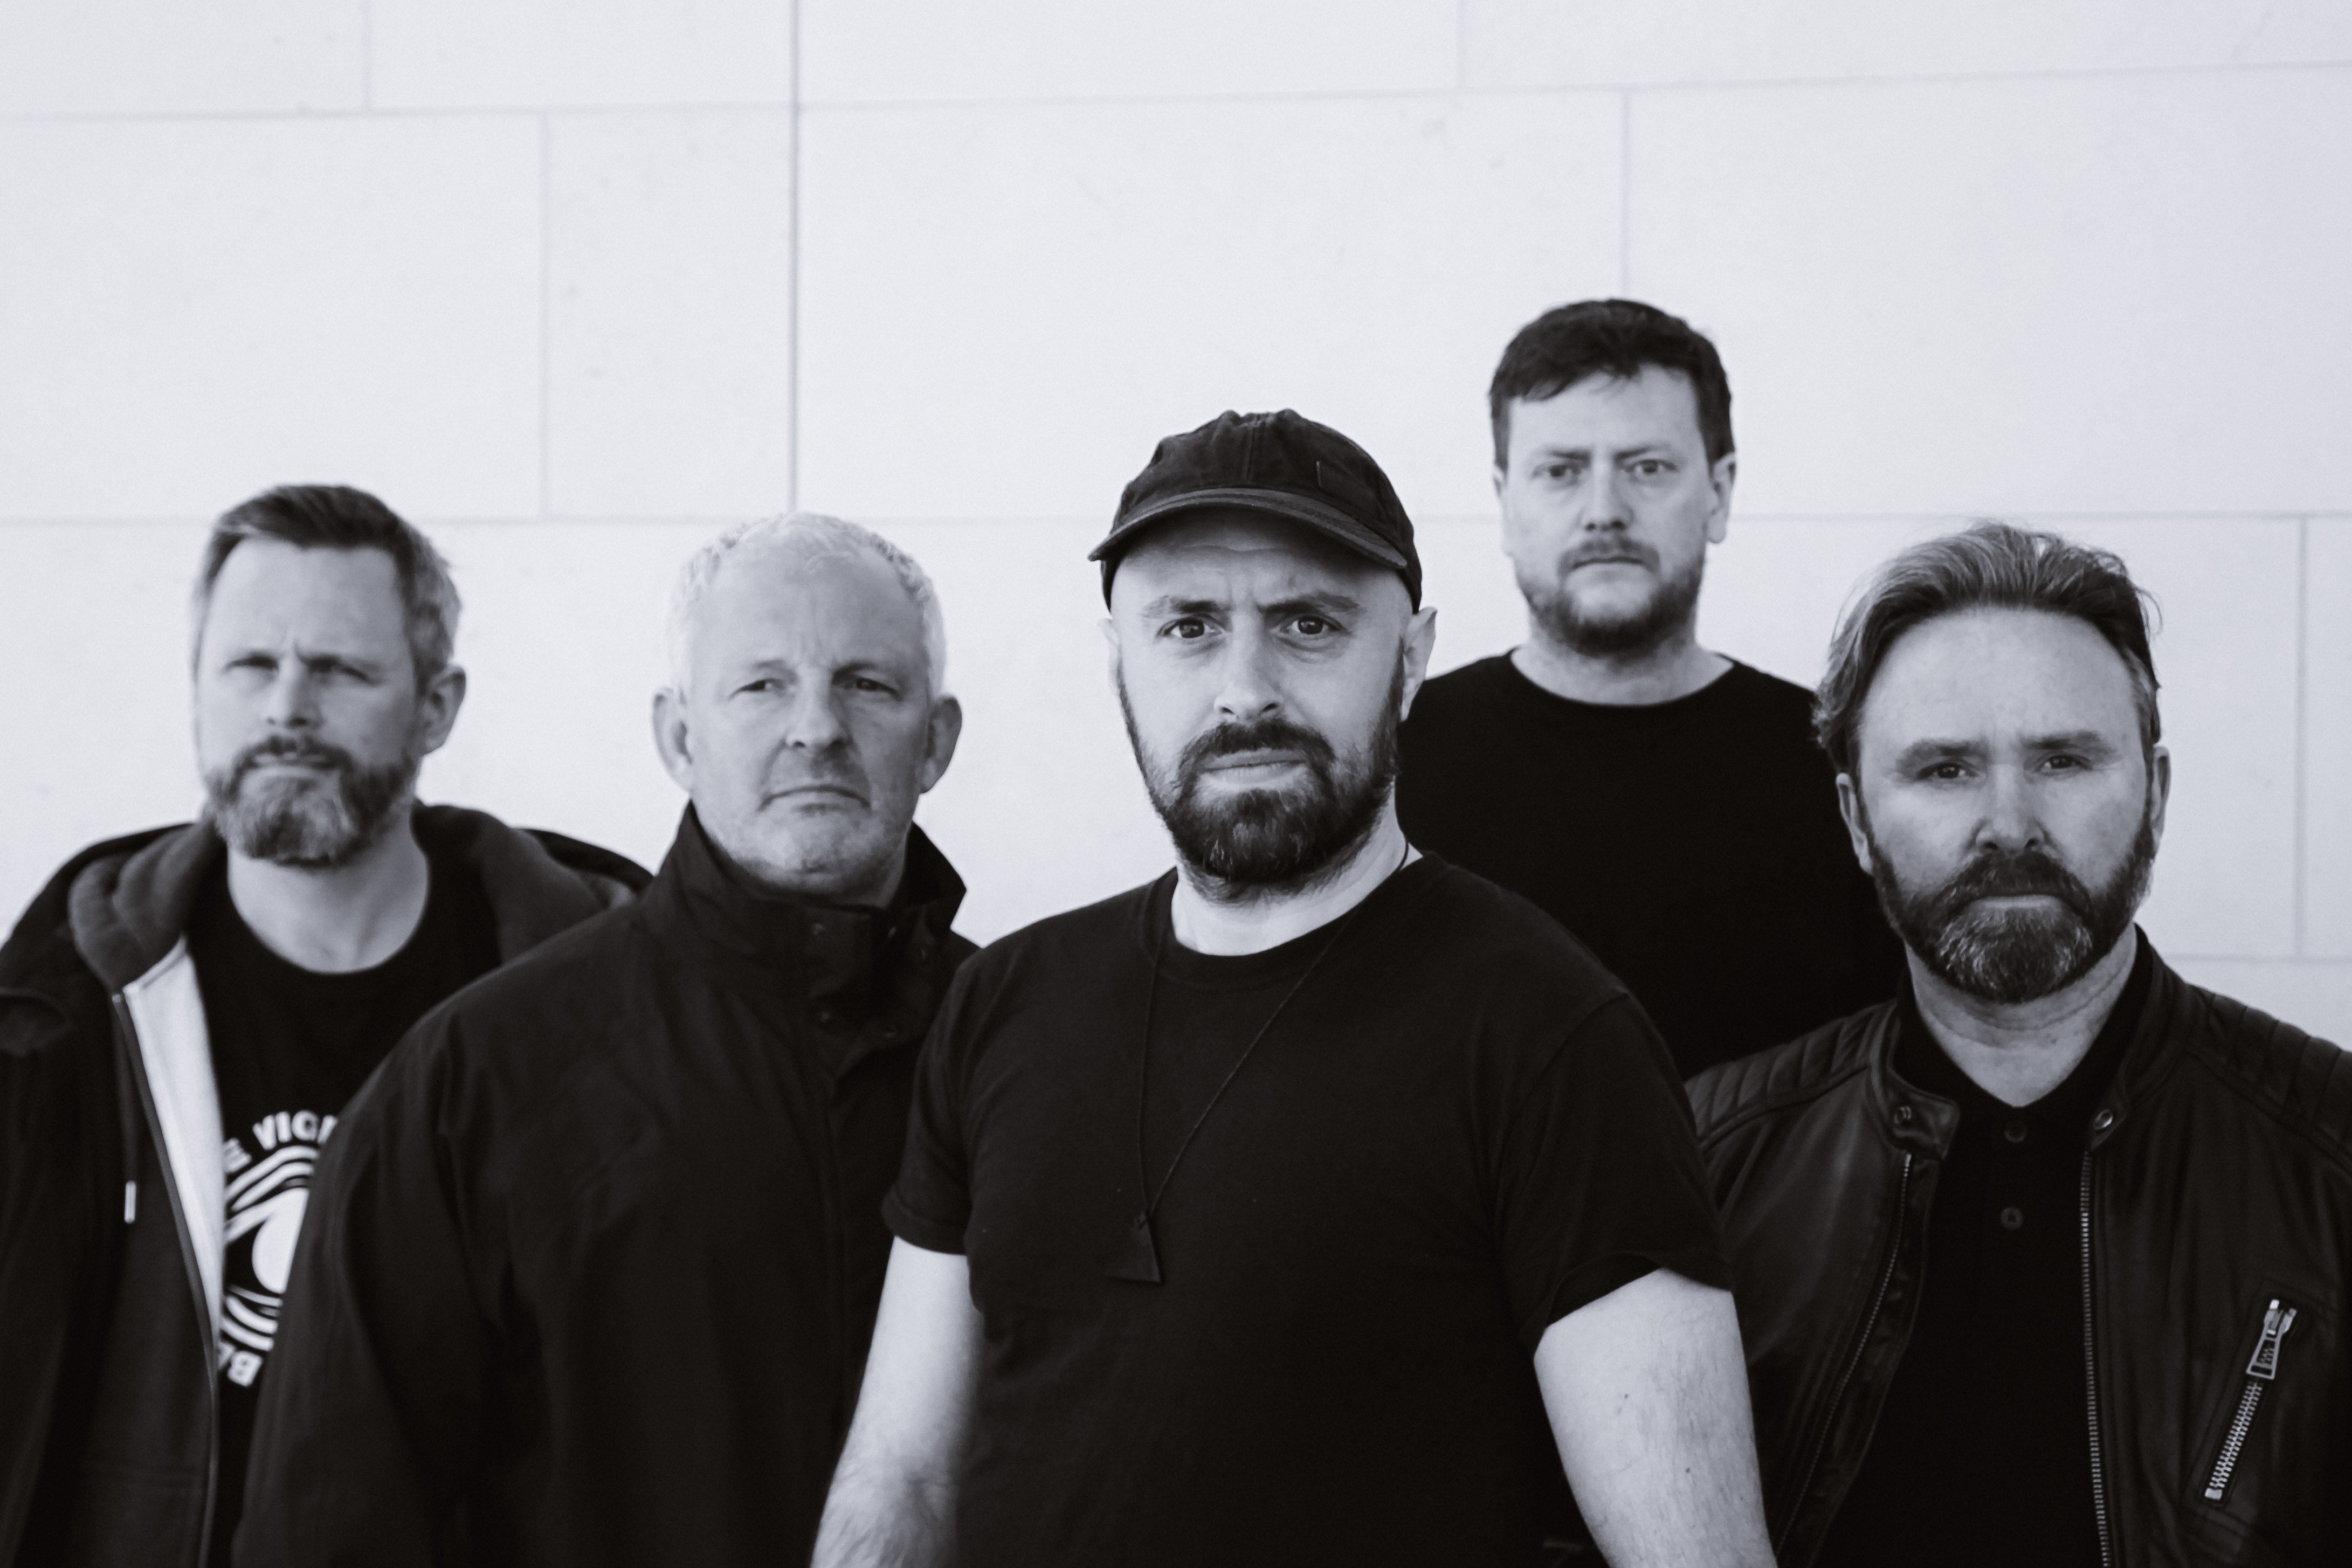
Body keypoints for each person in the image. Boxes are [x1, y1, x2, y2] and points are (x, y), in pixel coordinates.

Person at [813, 410, 1775, 1568]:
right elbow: (903, 1478)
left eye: (1308, 624)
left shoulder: (1548, 1034)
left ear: (1410, 660)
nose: (1243, 691)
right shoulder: (1004, 1002)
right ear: (1120, 662)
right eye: (1188, 627)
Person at [237, 514, 973, 1568]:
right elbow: (330, 1530)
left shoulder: (1029, 1050)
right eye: (760, 685)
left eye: (866, 684)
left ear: (937, 739)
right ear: (679, 737)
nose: (815, 727)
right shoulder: (473, 1084)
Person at [0, 485, 646, 1568]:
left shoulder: (588, 1000)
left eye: (340, 669)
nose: (286, 707)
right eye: (250, 664)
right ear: (197, 689)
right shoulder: (62, 1012)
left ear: (436, 707)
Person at [1688, 521, 2352, 1566]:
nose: (2009, 822)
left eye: (2063, 759)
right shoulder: (1704, 1165)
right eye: (1945, 769)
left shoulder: (2331, 1156)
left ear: (2156, 795)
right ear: (1856, 820)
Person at [1398, 299, 1900, 1076]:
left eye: (1648, 468)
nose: (1604, 511)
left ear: (1719, 493)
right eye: (1560, 472)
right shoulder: (1389, 763)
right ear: (1505, 503)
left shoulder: (1840, 764)